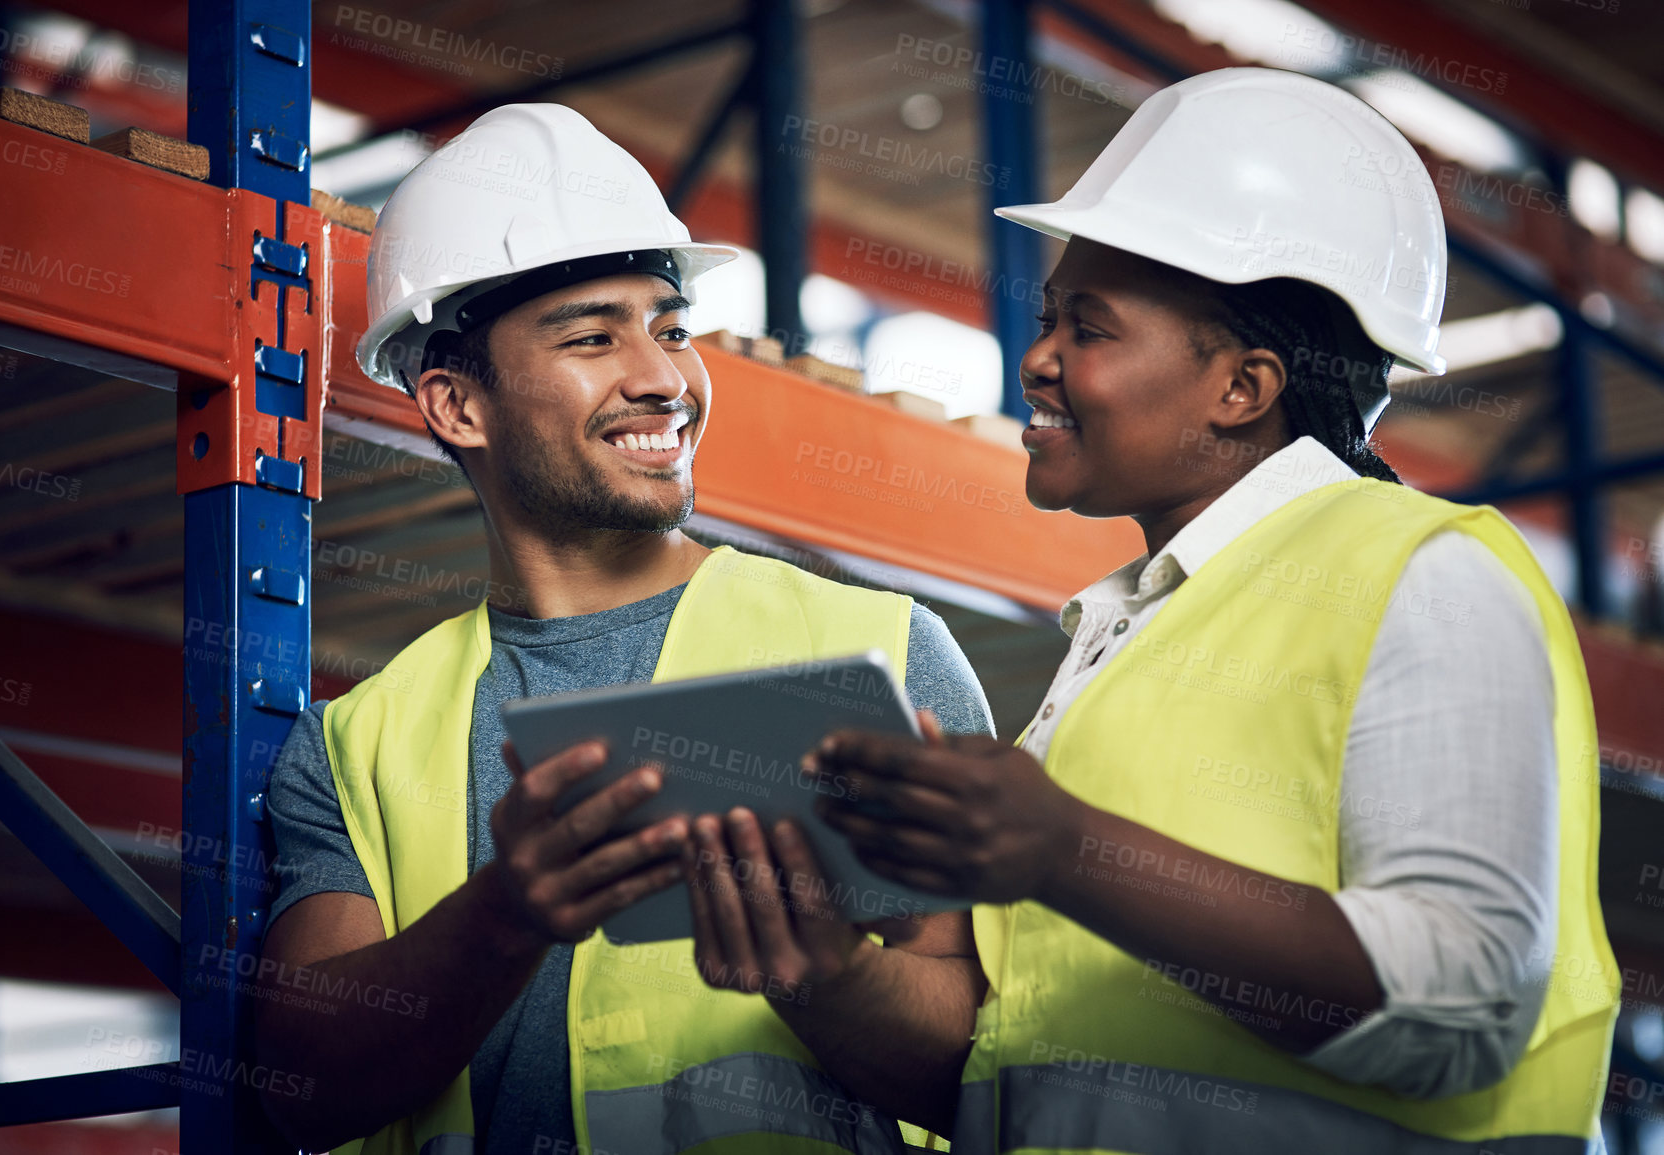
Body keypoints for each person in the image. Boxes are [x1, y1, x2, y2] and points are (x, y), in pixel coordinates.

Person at [687, 68, 1619, 1151]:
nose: (1035, 359)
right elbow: (1000, 1078)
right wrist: (821, 978)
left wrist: (1065, 851)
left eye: (1088, 327)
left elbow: (1461, 1006)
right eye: (1048, 321)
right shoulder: (1125, 647)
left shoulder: (1423, 576)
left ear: (1243, 387)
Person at [254, 103, 995, 1155]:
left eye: (671, 328)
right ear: (458, 406)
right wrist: (507, 912)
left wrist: (825, 970)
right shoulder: (353, 747)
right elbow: (296, 1086)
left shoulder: (881, 652)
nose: (665, 378)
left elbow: (996, 1068)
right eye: (594, 336)